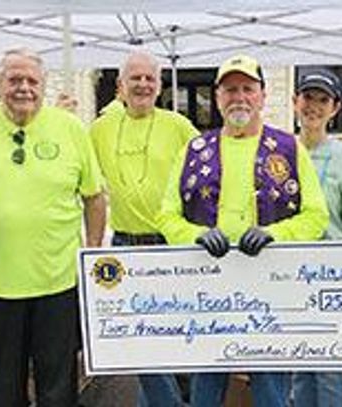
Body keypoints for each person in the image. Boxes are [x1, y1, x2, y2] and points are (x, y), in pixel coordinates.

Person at [158, 54, 329, 407]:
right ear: (218, 97)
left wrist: (276, 235)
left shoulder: (288, 147)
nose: (239, 97)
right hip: (208, 287)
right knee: (207, 384)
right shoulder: (194, 149)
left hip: (269, 287)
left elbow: (316, 215)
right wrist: (194, 236)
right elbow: (166, 214)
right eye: (230, 89)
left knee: (270, 388)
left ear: (263, 95)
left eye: (248, 89)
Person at [0, 48, 106, 406]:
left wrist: (94, 253)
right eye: (14, 80)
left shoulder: (69, 127)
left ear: (44, 86)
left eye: (32, 81)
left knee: (58, 385)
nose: (24, 88)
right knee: (3, 388)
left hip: (59, 282)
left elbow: (94, 197)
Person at [90, 51, 198, 407]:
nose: (143, 84)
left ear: (160, 86)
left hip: (171, 245)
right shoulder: (99, 128)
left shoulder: (178, 125)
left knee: (176, 333)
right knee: (140, 339)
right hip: (126, 247)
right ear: (120, 86)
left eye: (150, 79)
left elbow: (212, 170)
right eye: (135, 78)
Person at [291, 69, 342, 407]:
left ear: (335, 108)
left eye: (322, 100)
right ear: (295, 102)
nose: (313, 106)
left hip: (331, 280)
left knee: (329, 374)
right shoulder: (277, 152)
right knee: (296, 371)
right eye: (307, 97)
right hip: (287, 279)